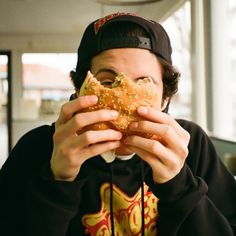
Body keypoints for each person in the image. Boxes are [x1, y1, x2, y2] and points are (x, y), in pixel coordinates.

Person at [0, 12, 236, 236]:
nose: (124, 102)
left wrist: (180, 184)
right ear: (81, 90)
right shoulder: (39, 147)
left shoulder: (191, 145)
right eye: (107, 81)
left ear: (165, 98)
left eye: (143, 83)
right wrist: (57, 182)